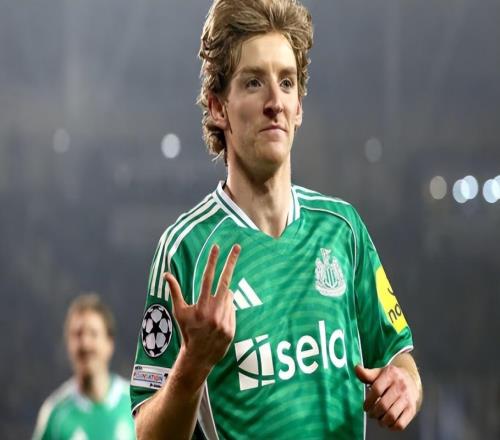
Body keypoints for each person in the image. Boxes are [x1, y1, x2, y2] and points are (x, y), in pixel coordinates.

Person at [130, 0, 423, 438]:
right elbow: (146, 433)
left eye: (286, 82)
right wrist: (193, 364)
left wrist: (407, 384)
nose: (274, 102)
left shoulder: (342, 229)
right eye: (253, 82)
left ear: (299, 107)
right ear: (218, 107)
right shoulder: (185, 248)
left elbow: (400, 357)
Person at [33, 293, 136, 440]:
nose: (85, 344)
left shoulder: (134, 404)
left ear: (109, 343)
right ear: (68, 344)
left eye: (93, 334)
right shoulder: (55, 415)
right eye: (78, 334)